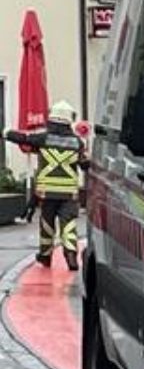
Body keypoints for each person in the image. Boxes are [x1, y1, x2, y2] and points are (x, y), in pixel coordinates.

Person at [4, 100, 87, 271]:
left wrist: (5, 132)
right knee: (68, 224)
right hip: (69, 193)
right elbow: (85, 165)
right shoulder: (78, 143)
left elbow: (23, 138)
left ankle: (45, 255)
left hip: (47, 192)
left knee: (47, 224)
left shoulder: (43, 138)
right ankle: (71, 255)